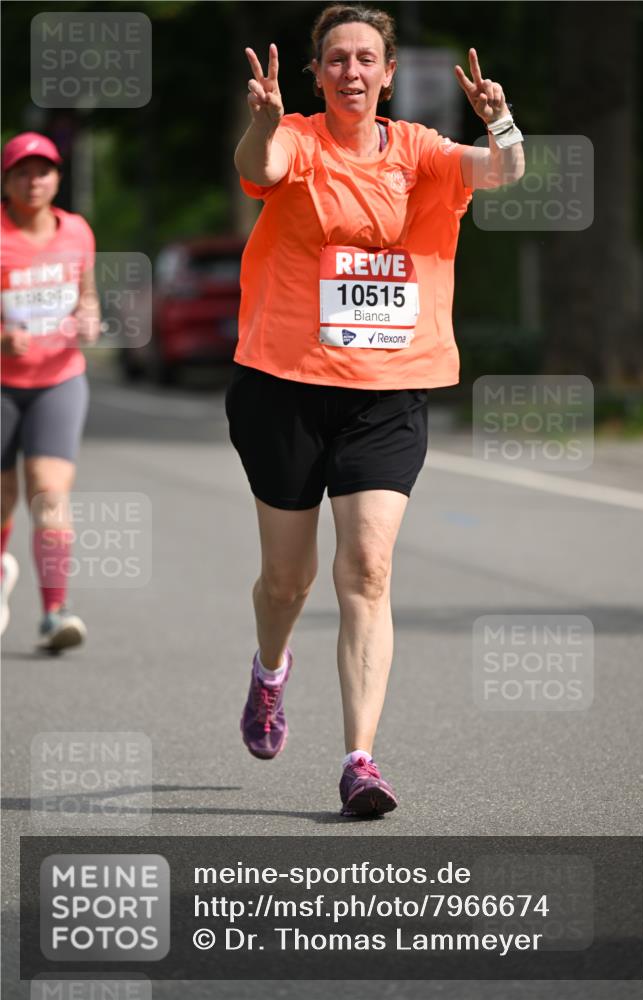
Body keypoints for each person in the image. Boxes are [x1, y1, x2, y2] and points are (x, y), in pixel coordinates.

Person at [228, 3, 524, 817]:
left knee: (367, 570)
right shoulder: (296, 135)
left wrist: (500, 125)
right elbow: (260, 166)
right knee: (287, 581)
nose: (351, 72)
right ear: (316, 74)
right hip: (284, 386)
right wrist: (260, 119)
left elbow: (502, 175)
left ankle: (359, 759)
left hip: (388, 392)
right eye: (335, 61)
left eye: (365, 60)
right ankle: (269, 671)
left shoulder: (420, 150)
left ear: (387, 74)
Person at [1, 132, 101, 650]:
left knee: (48, 493)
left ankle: (53, 613)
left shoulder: (77, 232)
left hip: (58, 380)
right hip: (1, 382)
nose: (33, 180)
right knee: (3, 499)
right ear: (8, 180)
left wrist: (88, 319)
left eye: (43, 171)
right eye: (22, 171)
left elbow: (87, 300)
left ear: (57, 178)